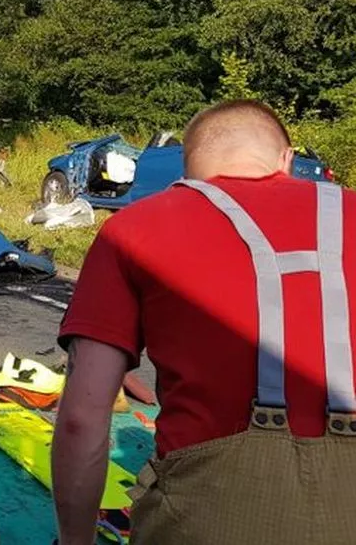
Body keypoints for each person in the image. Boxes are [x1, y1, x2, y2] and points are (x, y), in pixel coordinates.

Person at [51, 99, 356, 545]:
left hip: (207, 514)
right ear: (287, 159)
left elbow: (82, 418)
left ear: (187, 170)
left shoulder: (134, 229)